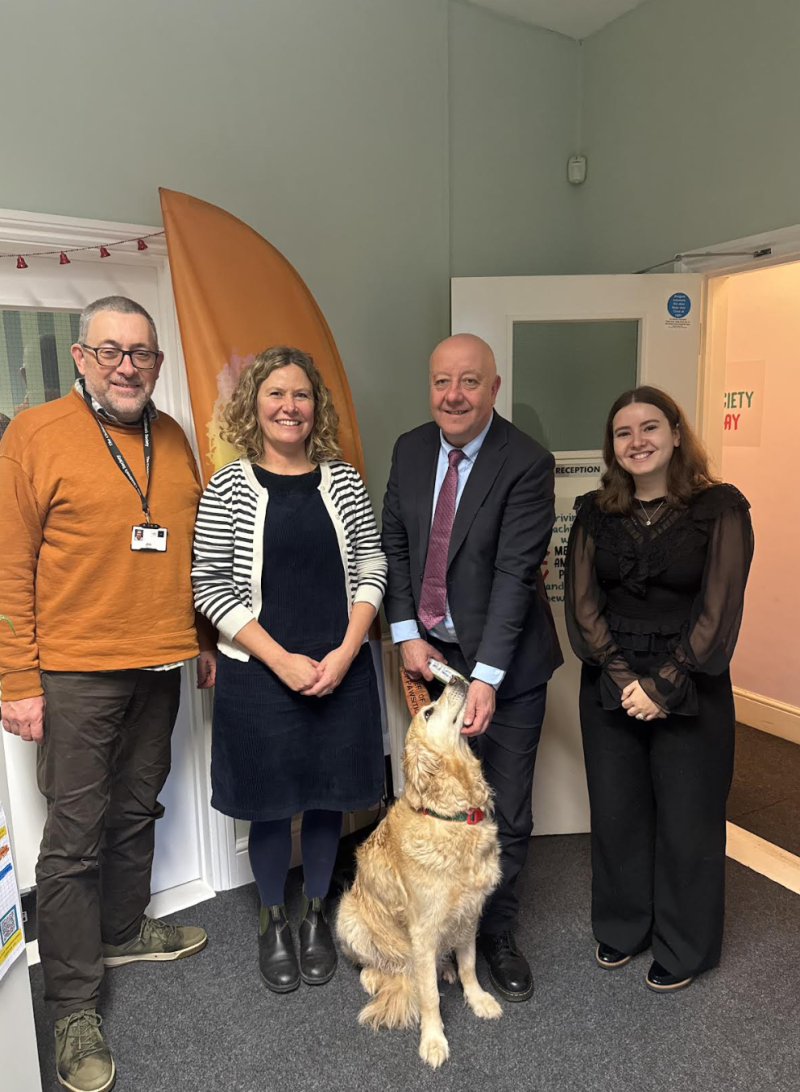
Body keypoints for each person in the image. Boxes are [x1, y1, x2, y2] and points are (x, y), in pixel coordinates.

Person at [0, 296, 215, 1092]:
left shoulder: (173, 435)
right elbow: (8, 566)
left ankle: (122, 930)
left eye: (143, 353)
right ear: (84, 358)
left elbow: (183, 548)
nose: (129, 365)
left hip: (158, 663)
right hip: (76, 672)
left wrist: (196, 637)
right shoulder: (35, 436)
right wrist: (18, 681)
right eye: (112, 351)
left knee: (137, 807)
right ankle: (73, 1005)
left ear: (157, 364)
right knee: (74, 835)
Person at [192, 346, 386, 994]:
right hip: (259, 676)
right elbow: (209, 583)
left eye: (300, 395)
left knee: (330, 802)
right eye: (276, 394)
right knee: (271, 807)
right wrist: (280, 661)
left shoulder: (345, 482)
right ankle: (273, 919)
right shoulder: (229, 485)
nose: (289, 406)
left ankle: (313, 917)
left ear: (315, 407)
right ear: (255, 404)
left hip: (341, 671)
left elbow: (372, 567)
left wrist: (346, 651)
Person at [380, 333, 562, 1002]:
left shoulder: (527, 461)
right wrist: (405, 634)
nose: (452, 395)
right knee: (436, 804)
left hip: (505, 664)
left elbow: (517, 575)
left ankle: (497, 935)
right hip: (432, 658)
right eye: (440, 382)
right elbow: (395, 545)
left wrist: (486, 677)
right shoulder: (409, 448)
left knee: (501, 807)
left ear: (493, 387)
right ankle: (442, 923)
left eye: (467, 381)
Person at [565, 385, 753, 993]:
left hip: (691, 681)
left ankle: (685, 944)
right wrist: (625, 682)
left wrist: (664, 685)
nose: (637, 441)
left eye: (650, 428)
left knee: (688, 820)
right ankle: (623, 927)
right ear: (612, 447)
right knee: (617, 814)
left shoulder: (719, 508)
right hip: (611, 685)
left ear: (676, 434)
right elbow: (582, 606)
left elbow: (719, 610)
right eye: (623, 432)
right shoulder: (595, 511)